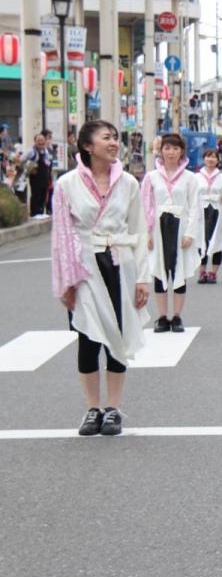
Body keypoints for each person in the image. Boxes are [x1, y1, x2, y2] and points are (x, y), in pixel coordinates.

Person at [52, 120, 151, 436]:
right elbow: (62, 235)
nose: (113, 143)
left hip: (120, 263)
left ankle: (114, 409)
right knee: (87, 338)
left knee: (118, 339)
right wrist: (65, 281)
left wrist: (142, 279)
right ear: (87, 146)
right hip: (84, 268)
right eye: (106, 137)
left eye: (115, 138)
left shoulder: (129, 184)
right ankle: (92, 408)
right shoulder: (66, 184)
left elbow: (138, 230)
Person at [142, 133, 201, 333]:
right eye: (167, 148)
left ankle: (176, 316)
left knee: (179, 272)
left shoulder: (190, 178)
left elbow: (195, 207)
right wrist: (146, 234)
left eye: (176, 148)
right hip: (158, 228)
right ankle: (161, 317)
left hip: (180, 227)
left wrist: (190, 233)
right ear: (161, 150)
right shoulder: (151, 177)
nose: (171, 152)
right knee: (159, 272)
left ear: (182, 151)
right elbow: (145, 206)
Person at [196, 148, 222, 284]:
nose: (210, 159)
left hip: (217, 212)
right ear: (204, 159)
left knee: (217, 243)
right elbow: (192, 197)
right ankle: (202, 272)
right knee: (201, 243)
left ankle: (213, 273)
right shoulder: (197, 177)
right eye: (208, 157)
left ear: (218, 160)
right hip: (201, 212)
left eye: (213, 157)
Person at [23, 131, 54, 217]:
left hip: (45, 177)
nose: (41, 142)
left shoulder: (46, 151)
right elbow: (21, 161)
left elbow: (48, 163)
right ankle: (34, 213)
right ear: (35, 141)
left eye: (42, 140)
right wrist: (29, 169)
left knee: (44, 195)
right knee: (36, 195)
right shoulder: (31, 151)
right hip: (35, 178)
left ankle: (41, 212)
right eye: (38, 140)